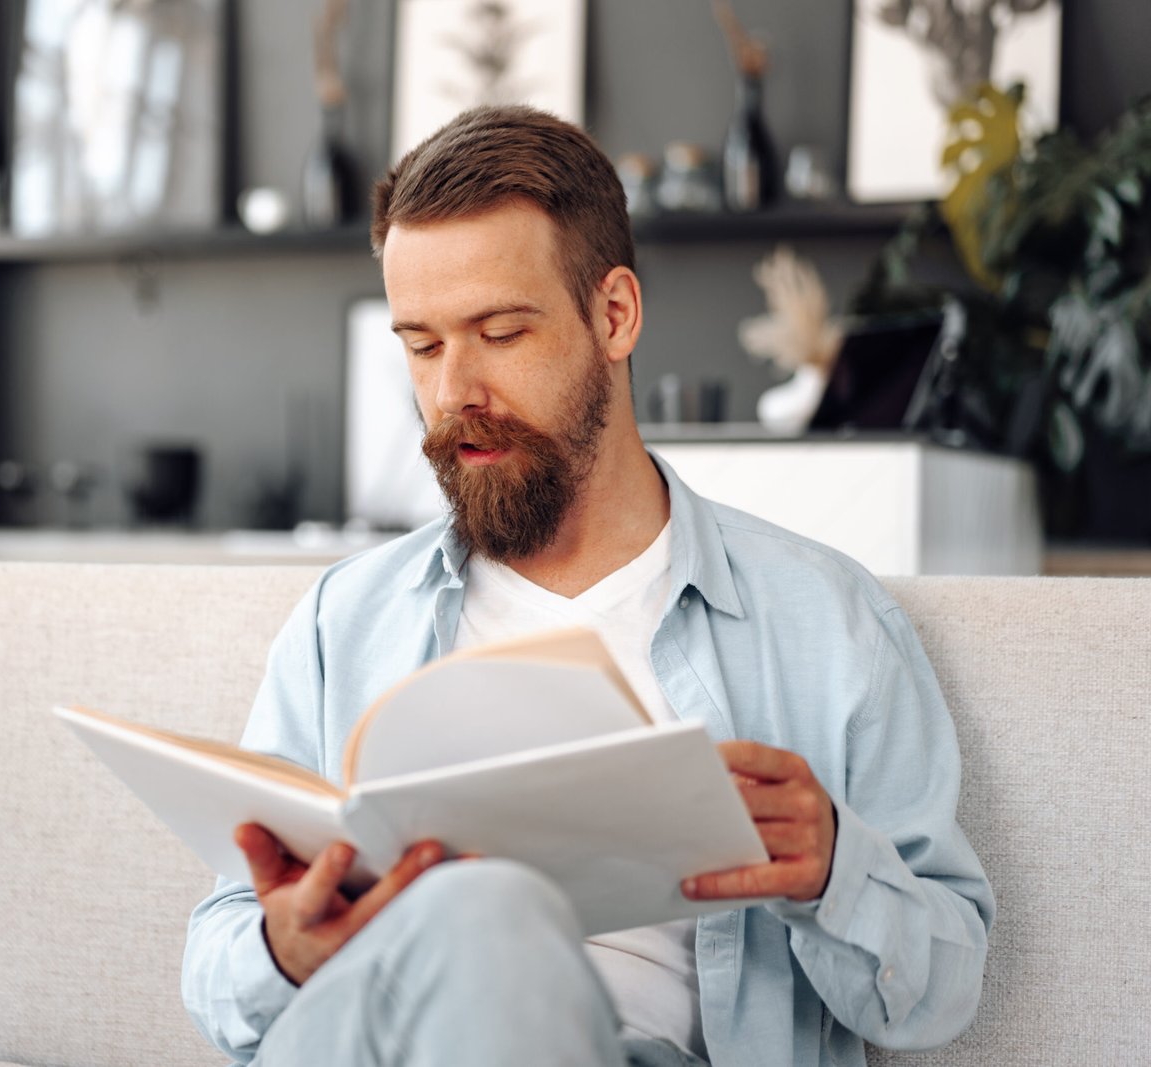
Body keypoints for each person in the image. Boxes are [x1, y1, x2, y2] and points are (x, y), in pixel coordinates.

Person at [182, 105, 993, 1067]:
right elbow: (220, 956)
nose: (453, 393)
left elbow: (944, 990)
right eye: (424, 345)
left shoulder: (829, 623)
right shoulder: (342, 619)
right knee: (468, 915)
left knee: (487, 906)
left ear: (615, 315)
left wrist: (831, 871)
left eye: (499, 331)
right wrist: (285, 948)